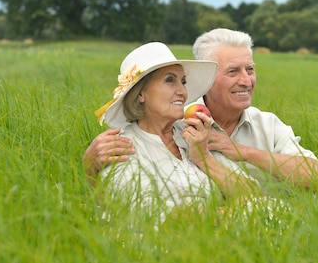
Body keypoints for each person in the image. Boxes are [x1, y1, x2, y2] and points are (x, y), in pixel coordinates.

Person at [85, 29, 318, 194]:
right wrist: (89, 168)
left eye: (250, 69)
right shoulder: (183, 127)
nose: (246, 81)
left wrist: (239, 151)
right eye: (233, 72)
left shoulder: (267, 124)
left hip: (267, 223)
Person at [93, 41, 259, 214]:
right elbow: (154, 216)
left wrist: (203, 158)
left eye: (183, 81)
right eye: (170, 80)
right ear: (141, 93)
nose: (182, 91)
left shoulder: (194, 133)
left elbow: (252, 193)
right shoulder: (121, 147)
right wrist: (229, 213)